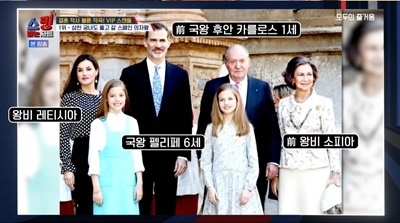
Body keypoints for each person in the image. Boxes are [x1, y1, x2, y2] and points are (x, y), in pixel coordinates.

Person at [197, 44, 281, 212]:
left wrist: (273, 160)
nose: (238, 66)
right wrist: (207, 165)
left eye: (242, 61)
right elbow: (203, 126)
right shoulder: (213, 87)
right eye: (233, 61)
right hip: (219, 172)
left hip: (253, 167)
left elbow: (271, 127)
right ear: (226, 64)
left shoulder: (262, 87)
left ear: (248, 62)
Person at [120, 22, 192, 215]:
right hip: (139, 151)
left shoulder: (181, 75)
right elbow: (123, 115)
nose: (157, 45)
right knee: (138, 203)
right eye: (153, 40)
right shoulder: (130, 74)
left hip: (170, 153)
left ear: (169, 43)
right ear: (145, 42)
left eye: (162, 40)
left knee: (167, 206)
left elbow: (185, 115)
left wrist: (183, 154)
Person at [271, 56, 341, 215]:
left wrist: (335, 173)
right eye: (301, 74)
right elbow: (282, 139)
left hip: (317, 168)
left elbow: (330, 138)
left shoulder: (324, 103)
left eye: (309, 74)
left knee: (313, 212)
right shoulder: (283, 104)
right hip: (289, 169)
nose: (306, 79)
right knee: (288, 213)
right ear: (292, 78)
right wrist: (278, 174)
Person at [200, 83, 263, 214]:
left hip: (241, 186)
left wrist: (248, 188)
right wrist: (210, 187)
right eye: (221, 99)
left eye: (230, 99)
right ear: (217, 103)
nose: (226, 103)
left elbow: (253, 161)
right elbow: (205, 161)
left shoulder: (246, 128)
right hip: (218, 187)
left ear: (237, 101)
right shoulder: (211, 128)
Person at [342, 18, 384, 215]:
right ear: (357, 54)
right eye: (372, 48)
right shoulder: (347, 98)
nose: (380, 55)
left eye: (385, 47)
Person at [88, 79, 144, 215]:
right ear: (106, 98)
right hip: (106, 186)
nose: (117, 99)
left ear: (125, 97)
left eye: (121, 95)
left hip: (128, 185)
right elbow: (93, 159)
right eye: (112, 95)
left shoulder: (132, 123)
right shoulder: (97, 124)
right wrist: (96, 188)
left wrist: (139, 184)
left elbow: (137, 156)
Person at [18, 57, 61, 214]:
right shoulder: (27, 131)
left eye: (58, 82)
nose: (55, 90)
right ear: (39, 88)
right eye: (49, 84)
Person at [60, 54, 101, 215]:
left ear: (96, 71)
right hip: (81, 154)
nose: (84, 73)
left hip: (102, 155)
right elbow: (63, 134)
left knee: (103, 203)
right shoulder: (70, 99)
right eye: (80, 70)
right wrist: (68, 167)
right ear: (76, 74)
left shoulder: (105, 97)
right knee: (85, 205)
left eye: (89, 69)